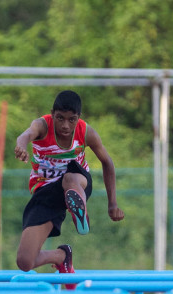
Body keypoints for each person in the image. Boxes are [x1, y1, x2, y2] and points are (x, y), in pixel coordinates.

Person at [13, 90, 124, 275]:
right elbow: (25, 135)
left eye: (71, 120)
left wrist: (112, 203)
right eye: (60, 118)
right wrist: (21, 147)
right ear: (52, 114)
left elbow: (108, 163)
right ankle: (61, 256)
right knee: (25, 261)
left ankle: (80, 211)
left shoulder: (86, 132)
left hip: (77, 182)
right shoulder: (42, 125)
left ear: (78, 117)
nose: (65, 125)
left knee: (69, 178)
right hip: (46, 190)